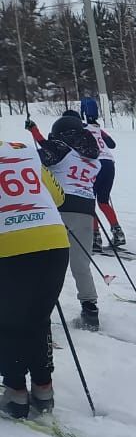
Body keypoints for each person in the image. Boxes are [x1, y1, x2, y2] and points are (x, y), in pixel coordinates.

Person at [0, 140, 70, 420]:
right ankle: (44, 389)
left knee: (8, 322)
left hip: (10, 247)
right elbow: (58, 196)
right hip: (53, 242)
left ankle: (16, 393)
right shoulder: (22, 151)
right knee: (38, 318)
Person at [27, 118, 101, 331]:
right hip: (86, 212)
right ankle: (90, 309)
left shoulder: (62, 147)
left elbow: (39, 159)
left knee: (45, 261)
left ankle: (36, 310)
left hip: (59, 210)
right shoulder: (92, 157)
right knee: (80, 264)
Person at [85, 117, 126, 250]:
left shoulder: (80, 130)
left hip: (95, 164)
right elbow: (112, 144)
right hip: (109, 163)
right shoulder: (97, 129)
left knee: (89, 202)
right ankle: (118, 232)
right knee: (103, 201)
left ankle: (95, 237)